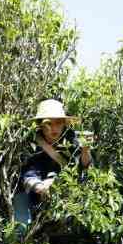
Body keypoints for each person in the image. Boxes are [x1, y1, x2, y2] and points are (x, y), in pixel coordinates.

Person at [14, 99, 92, 231]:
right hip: (30, 193)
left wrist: (86, 149)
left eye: (58, 123)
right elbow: (27, 173)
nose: (54, 128)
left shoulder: (71, 138)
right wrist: (41, 186)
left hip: (62, 197)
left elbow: (84, 167)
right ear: (40, 125)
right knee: (21, 228)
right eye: (49, 123)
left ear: (64, 124)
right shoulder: (32, 142)